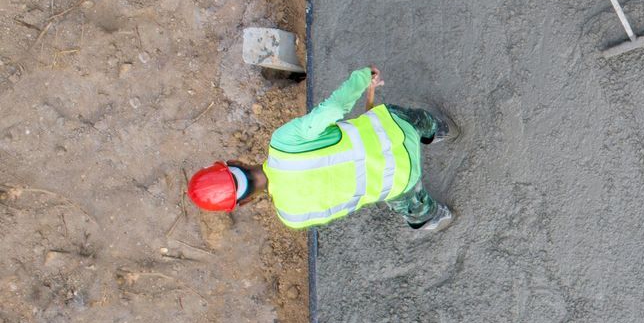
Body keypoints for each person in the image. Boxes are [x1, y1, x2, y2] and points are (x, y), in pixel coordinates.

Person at [187, 65, 456, 234]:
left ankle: (430, 217)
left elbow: (342, 205)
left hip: (399, 180)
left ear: (243, 202)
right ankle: (437, 131)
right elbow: (335, 108)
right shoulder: (283, 142)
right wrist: (363, 77)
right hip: (396, 129)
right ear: (234, 162)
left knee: (407, 201)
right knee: (412, 120)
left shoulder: (291, 216)